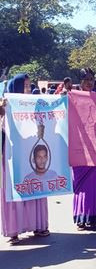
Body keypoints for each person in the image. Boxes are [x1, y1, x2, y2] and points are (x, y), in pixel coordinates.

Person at [1, 73, 50, 244]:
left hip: (31, 153)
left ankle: (39, 225)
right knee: (14, 190)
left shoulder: (35, 105)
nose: (28, 89)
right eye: (25, 85)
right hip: (12, 155)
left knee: (35, 188)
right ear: (16, 87)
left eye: (30, 85)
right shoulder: (5, 105)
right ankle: (14, 230)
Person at [72, 68, 96, 230]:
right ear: (80, 81)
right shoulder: (71, 99)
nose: (89, 82)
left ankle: (94, 216)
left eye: (92, 79)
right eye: (85, 79)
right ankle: (81, 217)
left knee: (95, 184)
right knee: (81, 184)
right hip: (79, 149)